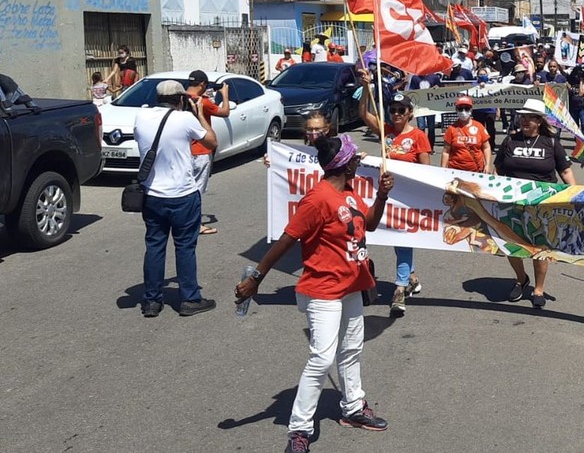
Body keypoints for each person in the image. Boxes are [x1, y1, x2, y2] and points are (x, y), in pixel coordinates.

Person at [235, 134, 393, 453]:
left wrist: (382, 196)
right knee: (321, 359)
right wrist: (256, 277)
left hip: (352, 285)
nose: (359, 161)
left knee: (351, 350)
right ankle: (300, 429)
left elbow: (371, 225)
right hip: (323, 289)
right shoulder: (317, 199)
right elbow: (286, 240)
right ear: (344, 165)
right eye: (355, 159)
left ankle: (353, 408)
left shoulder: (349, 191)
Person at [134, 80, 218, 318]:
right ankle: (190, 299)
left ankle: (151, 301)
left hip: (152, 195)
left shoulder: (142, 117)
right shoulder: (185, 119)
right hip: (183, 195)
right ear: (181, 99)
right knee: (185, 247)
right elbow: (212, 142)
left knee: (154, 247)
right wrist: (200, 114)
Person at [494, 99, 577, 308]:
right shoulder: (510, 141)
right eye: (523, 116)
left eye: (530, 117)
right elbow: (498, 169)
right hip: (511, 203)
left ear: (539, 121)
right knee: (511, 245)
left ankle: (538, 288)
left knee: (539, 247)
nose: (525, 121)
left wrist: (575, 195)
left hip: (542, 205)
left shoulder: (550, 143)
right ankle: (521, 279)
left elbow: (565, 171)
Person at [360, 93, 428, 317]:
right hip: (383, 196)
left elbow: (426, 173)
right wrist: (365, 86)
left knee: (402, 239)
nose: (397, 114)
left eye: (401, 110)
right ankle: (411, 276)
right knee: (393, 241)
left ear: (410, 113)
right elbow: (363, 114)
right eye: (393, 110)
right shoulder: (385, 132)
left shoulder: (418, 136)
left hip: (406, 201)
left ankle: (399, 289)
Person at [185, 70, 230, 235]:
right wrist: (224, 95)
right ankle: (195, 225)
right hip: (201, 150)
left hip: (184, 151)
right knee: (196, 191)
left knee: (184, 188)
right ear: (203, 84)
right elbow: (225, 112)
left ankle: (182, 221)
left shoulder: (180, 99)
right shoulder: (203, 102)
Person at [441, 95, 492, 173]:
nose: (463, 111)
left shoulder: (479, 127)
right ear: (456, 110)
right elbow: (446, 151)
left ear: (471, 109)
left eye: (467, 108)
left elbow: (486, 148)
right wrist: (443, 169)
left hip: (476, 170)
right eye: (460, 109)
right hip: (455, 170)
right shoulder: (451, 129)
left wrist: (487, 165)